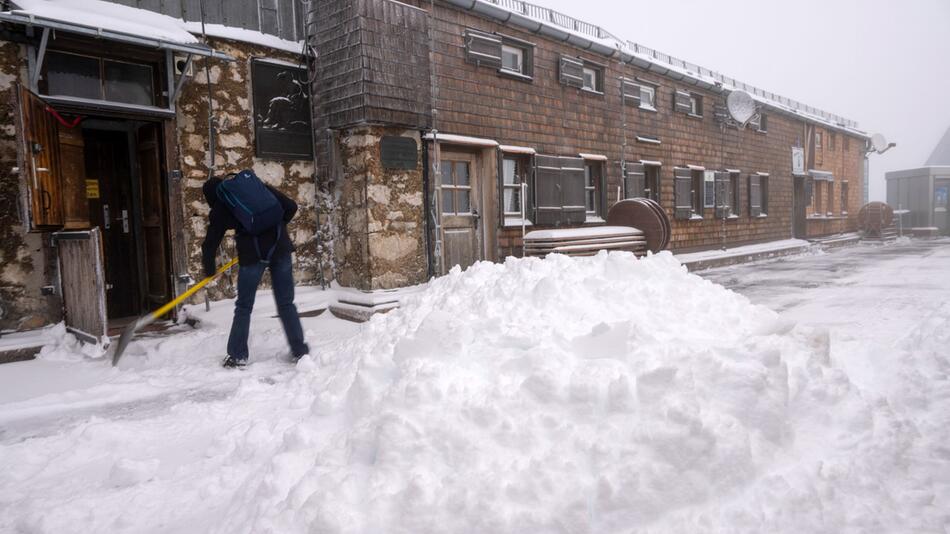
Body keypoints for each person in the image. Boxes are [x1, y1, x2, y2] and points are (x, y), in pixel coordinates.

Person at [201, 176, 309, 368]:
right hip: (280, 246)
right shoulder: (258, 188)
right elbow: (291, 206)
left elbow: (210, 244)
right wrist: (275, 227)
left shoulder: (220, 206)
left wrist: (210, 270)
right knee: (286, 303)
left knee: (244, 306)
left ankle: (237, 355)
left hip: (253, 255)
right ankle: (300, 351)